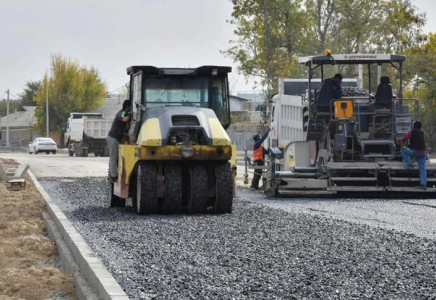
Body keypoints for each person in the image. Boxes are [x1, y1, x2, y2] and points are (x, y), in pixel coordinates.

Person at [106, 100, 132, 183]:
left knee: (115, 157)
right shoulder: (122, 112)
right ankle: (113, 176)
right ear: (127, 107)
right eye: (130, 107)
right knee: (113, 157)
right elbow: (123, 118)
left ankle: (113, 174)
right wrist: (128, 118)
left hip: (115, 138)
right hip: (113, 138)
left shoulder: (123, 112)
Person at [400, 120, 427, 190]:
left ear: (414, 126)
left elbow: (404, 138)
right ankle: (423, 184)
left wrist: (402, 145)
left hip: (415, 151)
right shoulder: (422, 132)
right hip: (423, 152)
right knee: (422, 169)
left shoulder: (412, 131)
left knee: (402, 150)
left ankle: (409, 164)